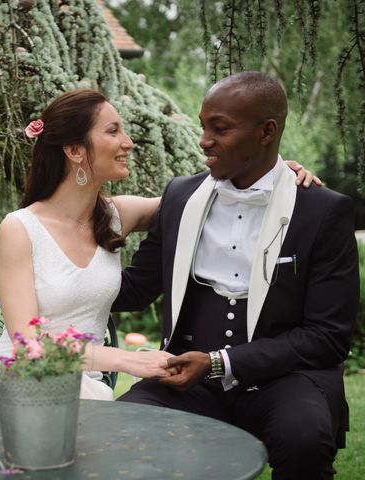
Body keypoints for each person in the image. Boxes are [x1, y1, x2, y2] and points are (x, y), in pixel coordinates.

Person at [0, 87, 318, 402]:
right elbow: (29, 347)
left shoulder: (118, 214)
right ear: (75, 150)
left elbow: (206, 197)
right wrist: (128, 360)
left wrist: (271, 175)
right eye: (112, 131)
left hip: (85, 386)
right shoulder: (20, 228)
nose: (128, 142)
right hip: (20, 380)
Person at [113, 72, 359, 479]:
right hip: (188, 381)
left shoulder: (321, 211)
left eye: (220, 128)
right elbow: (136, 290)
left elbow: (328, 337)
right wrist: (55, 267)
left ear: (267, 132)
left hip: (286, 379)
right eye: (204, 125)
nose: (204, 140)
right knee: (124, 425)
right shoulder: (179, 197)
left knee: (304, 438)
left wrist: (218, 362)